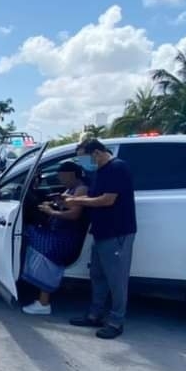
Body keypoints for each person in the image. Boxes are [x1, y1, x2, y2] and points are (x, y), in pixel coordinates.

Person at [64, 139, 137, 339]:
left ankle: (116, 321)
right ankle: (94, 314)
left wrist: (75, 200)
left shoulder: (117, 168)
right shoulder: (100, 171)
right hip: (101, 231)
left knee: (116, 280)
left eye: (83, 158)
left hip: (117, 233)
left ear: (96, 153)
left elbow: (107, 199)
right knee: (98, 276)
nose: (82, 163)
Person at [21, 161, 89, 315]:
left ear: (71, 175)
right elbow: (66, 205)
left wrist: (50, 212)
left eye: (62, 176)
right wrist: (54, 204)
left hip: (66, 237)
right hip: (59, 231)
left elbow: (74, 214)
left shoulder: (81, 189)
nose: (60, 180)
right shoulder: (72, 188)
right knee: (30, 232)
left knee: (42, 249)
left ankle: (43, 301)